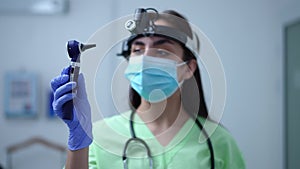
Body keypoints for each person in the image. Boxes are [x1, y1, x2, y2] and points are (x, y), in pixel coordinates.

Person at [51, 8, 245, 169]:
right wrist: (77, 143)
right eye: (137, 49)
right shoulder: (99, 136)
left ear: (188, 68)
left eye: (162, 50)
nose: (145, 59)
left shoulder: (218, 142)